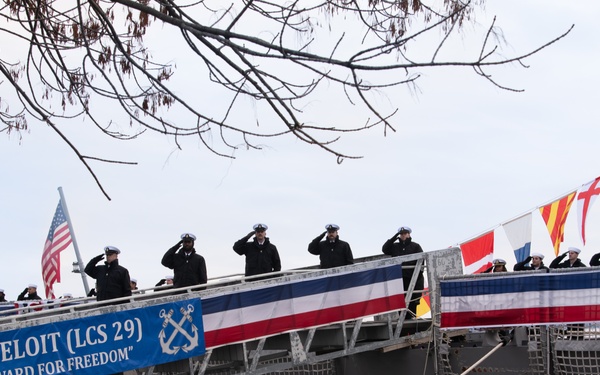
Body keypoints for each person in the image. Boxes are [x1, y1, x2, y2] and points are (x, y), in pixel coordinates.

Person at [382, 226, 425, 318]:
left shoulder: (415, 246)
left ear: (409, 234)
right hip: (398, 279)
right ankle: (402, 321)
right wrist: (394, 237)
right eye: (401, 234)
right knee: (400, 301)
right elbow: (384, 249)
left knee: (412, 301)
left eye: (405, 233)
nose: (403, 235)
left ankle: (412, 319)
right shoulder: (395, 246)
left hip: (412, 278)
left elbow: (421, 261)